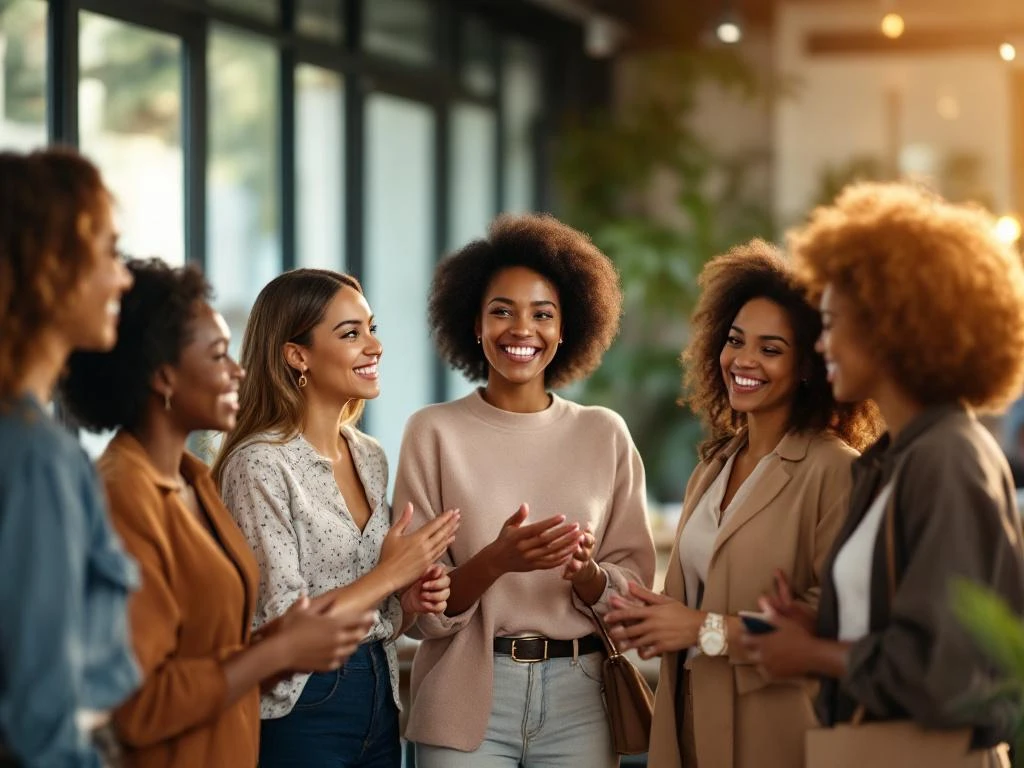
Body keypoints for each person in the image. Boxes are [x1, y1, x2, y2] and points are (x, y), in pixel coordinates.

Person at [743, 182, 1024, 765]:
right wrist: (823, 620)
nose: (821, 346)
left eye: (831, 323)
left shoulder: (948, 460)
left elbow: (945, 670)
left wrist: (813, 655)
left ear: (892, 327)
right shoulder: (895, 460)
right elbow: (917, 616)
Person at [60, 258, 375, 768]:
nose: (239, 370)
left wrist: (281, 643)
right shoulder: (123, 495)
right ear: (164, 377)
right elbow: (139, 704)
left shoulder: (194, 481)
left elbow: (211, 646)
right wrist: (275, 652)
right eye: (218, 355)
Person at [601, 239, 880, 768]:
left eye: (771, 349)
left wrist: (702, 629)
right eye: (735, 341)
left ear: (808, 365)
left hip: (779, 730)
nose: (744, 361)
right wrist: (642, 613)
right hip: (690, 724)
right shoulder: (713, 466)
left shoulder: (837, 469)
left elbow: (840, 621)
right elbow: (694, 592)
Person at [392, 213, 656, 768]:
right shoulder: (432, 432)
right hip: (464, 695)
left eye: (542, 314)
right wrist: (496, 560)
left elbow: (632, 598)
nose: (522, 329)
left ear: (566, 329)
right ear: (475, 325)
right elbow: (419, 611)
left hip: (582, 698)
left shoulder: (603, 433)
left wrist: (587, 575)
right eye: (501, 312)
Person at [214, 268, 459, 768]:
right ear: (296, 355)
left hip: (380, 696)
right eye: (351, 334)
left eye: (372, 328)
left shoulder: (370, 456)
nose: (375, 346)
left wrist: (407, 600)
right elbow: (283, 624)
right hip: (300, 708)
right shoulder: (259, 464)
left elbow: (379, 619)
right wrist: (389, 573)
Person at [0, 148, 138, 767]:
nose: (123, 277)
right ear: (50, 265)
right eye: (110, 251)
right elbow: (41, 724)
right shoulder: (38, 458)